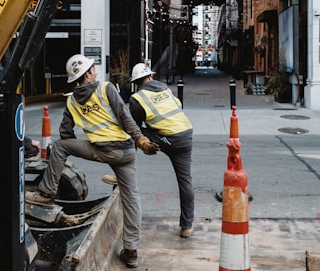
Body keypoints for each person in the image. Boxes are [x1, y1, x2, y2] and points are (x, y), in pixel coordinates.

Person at [25, 54, 159, 268]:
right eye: (93, 69)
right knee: (132, 198)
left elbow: (66, 134)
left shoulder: (71, 101)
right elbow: (125, 117)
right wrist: (140, 139)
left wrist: (86, 144)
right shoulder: (106, 89)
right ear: (87, 74)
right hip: (126, 151)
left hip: (102, 151)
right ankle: (131, 251)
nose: (95, 71)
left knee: (60, 146)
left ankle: (46, 193)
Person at [128, 63, 195, 239]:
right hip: (186, 134)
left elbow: (134, 128)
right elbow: (178, 106)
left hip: (167, 138)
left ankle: (126, 168)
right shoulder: (166, 89)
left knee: (132, 133)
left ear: (136, 82)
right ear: (150, 77)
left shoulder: (137, 98)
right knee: (185, 181)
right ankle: (187, 226)